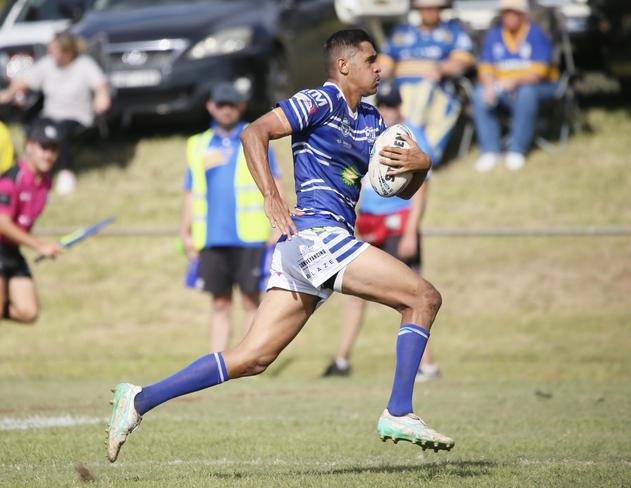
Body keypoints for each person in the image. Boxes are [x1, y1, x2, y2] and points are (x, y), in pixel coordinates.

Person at [106, 29, 454, 463]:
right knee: (423, 297)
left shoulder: (372, 123)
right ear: (344, 66)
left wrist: (422, 165)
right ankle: (399, 409)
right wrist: (271, 195)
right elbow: (255, 132)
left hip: (316, 246)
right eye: (371, 60)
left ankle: (138, 400)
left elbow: (396, 192)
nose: (379, 68)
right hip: (315, 237)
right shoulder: (320, 100)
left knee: (252, 358)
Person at [322, 82, 440, 382]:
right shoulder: (370, 133)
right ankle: (341, 360)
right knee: (355, 294)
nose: (388, 110)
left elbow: (422, 187)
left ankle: (426, 366)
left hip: (398, 222)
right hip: (369, 222)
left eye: (392, 104)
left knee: (414, 294)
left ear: (400, 105)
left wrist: (411, 231)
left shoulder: (411, 136)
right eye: (383, 104)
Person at [180, 81, 281, 353]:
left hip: (250, 237)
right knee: (220, 303)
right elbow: (191, 192)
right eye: (221, 105)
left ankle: (248, 357)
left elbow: (275, 184)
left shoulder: (255, 137)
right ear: (210, 107)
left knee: (251, 301)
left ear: (241, 107)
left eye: (232, 105)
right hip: (213, 237)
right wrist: (185, 231)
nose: (226, 110)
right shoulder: (198, 145)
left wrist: (278, 225)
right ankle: (217, 363)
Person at [0, 32, 111, 194]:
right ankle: (27, 172)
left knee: (59, 132)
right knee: (34, 129)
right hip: (50, 115)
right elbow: (24, 81)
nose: (51, 54)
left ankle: (66, 172)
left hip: (76, 117)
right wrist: (7, 95)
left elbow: (101, 86)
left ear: (67, 52)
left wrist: (102, 97)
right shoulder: (47, 64)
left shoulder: (84, 65)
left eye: (55, 50)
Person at [378, 0, 474, 166]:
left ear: (441, 8)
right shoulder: (402, 33)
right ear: (417, 9)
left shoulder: (452, 31)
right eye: (425, 7)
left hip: (437, 91)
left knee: (422, 94)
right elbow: (383, 66)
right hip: (399, 91)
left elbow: (461, 64)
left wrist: (440, 68)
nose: (429, 11)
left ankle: (407, 152)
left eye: (434, 7)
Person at [473, 0, 559, 172]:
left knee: (525, 93)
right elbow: (485, 69)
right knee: (479, 92)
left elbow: (538, 74)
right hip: (502, 88)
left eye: (513, 12)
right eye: (506, 12)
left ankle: (516, 149)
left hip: (539, 88)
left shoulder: (535, 34)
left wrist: (513, 81)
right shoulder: (495, 35)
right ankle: (490, 150)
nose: (509, 17)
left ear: (523, 15)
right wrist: (490, 86)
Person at [0, 119, 62, 325]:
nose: (48, 155)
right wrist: (40, 246)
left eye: (53, 149)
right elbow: (2, 223)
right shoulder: (10, 180)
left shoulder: (46, 183)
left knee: (28, 312)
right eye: (44, 148)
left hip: (11, 250)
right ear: (29, 146)